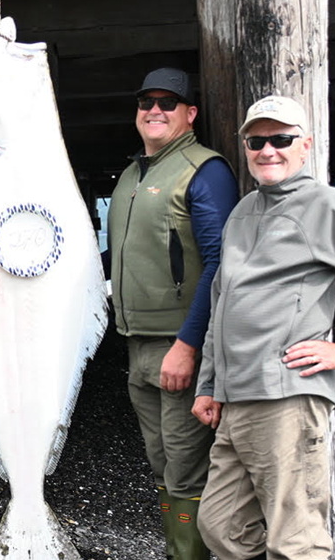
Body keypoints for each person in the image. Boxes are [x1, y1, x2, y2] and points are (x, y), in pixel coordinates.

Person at [192, 96, 335, 560]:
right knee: (220, 526)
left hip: (287, 398)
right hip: (236, 398)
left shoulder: (325, 204)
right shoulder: (242, 212)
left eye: (281, 139)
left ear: (305, 145)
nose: (268, 150)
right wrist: (209, 385)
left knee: (295, 540)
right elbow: (222, 304)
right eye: (256, 140)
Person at [107, 67, 238, 560]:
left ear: (190, 113)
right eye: (147, 102)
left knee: (186, 466)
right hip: (138, 343)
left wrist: (188, 346)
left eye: (168, 102)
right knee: (161, 462)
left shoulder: (203, 170)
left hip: (181, 346)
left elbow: (220, 266)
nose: (155, 111)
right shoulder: (131, 175)